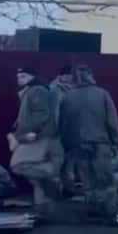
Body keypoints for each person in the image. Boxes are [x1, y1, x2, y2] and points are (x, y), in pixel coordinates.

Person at [60, 63, 118, 222]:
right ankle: (110, 212)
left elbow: (64, 124)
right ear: (91, 75)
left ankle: (93, 212)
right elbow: (112, 121)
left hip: (78, 145)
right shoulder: (102, 94)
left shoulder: (68, 97)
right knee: (106, 180)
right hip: (100, 144)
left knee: (87, 181)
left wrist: (68, 146)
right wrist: (115, 142)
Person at [8, 66, 62, 218]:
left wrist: (31, 131)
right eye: (18, 75)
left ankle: (51, 174)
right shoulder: (32, 90)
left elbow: (41, 113)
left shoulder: (36, 90)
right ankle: (43, 209)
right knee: (35, 180)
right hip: (39, 135)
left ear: (31, 76)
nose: (19, 78)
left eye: (23, 75)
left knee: (18, 165)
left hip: (37, 137)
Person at [50, 65, 76, 194]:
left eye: (70, 75)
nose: (69, 78)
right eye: (67, 75)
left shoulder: (72, 90)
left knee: (68, 164)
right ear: (61, 76)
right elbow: (55, 113)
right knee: (59, 164)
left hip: (70, 132)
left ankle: (68, 189)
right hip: (60, 133)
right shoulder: (55, 90)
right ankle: (58, 191)